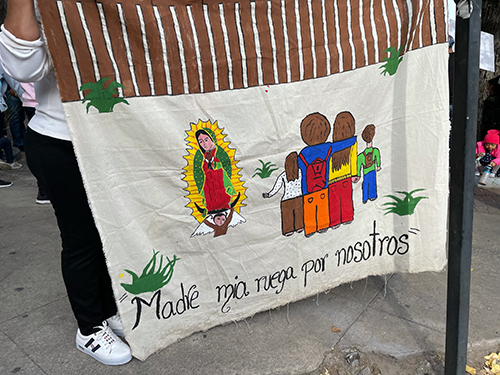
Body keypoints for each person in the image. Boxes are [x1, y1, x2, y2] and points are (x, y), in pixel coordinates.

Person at [0, 0, 131, 366]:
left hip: (117, 136)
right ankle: (88, 328)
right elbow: (24, 68)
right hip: (62, 139)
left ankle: (107, 309)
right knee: (82, 239)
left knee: (111, 234)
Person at [193, 128, 237, 215]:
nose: (204, 144)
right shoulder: (200, 155)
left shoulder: (220, 152)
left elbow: (228, 167)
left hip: (221, 183)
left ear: (211, 139)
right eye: (201, 141)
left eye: (206, 139)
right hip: (208, 186)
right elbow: (197, 173)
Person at [20, 81, 50, 204]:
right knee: (47, 147)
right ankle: (44, 190)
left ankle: (43, 190)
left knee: (43, 146)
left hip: (31, 100)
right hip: (41, 101)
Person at [263, 151, 304, 236]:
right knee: (299, 213)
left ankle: (288, 230)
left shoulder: (284, 175)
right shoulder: (300, 172)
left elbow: (277, 187)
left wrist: (269, 194)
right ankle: (299, 227)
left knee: (287, 216)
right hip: (299, 198)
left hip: (286, 200)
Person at [328, 112, 357, 229]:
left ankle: (334, 222)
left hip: (332, 180)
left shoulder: (330, 147)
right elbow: (353, 159)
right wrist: (354, 174)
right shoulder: (352, 143)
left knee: (334, 202)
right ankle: (347, 217)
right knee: (346, 199)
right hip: (345, 177)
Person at [354, 124, 381, 204]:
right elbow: (378, 158)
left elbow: (358, 166)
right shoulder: (375, 151)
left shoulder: (361, 156)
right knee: (372, 183)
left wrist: (358, 175)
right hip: (372, 170)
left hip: (365, 172)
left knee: (365, 184)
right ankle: (372, 196)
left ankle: (365, 197)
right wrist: (378, 166)